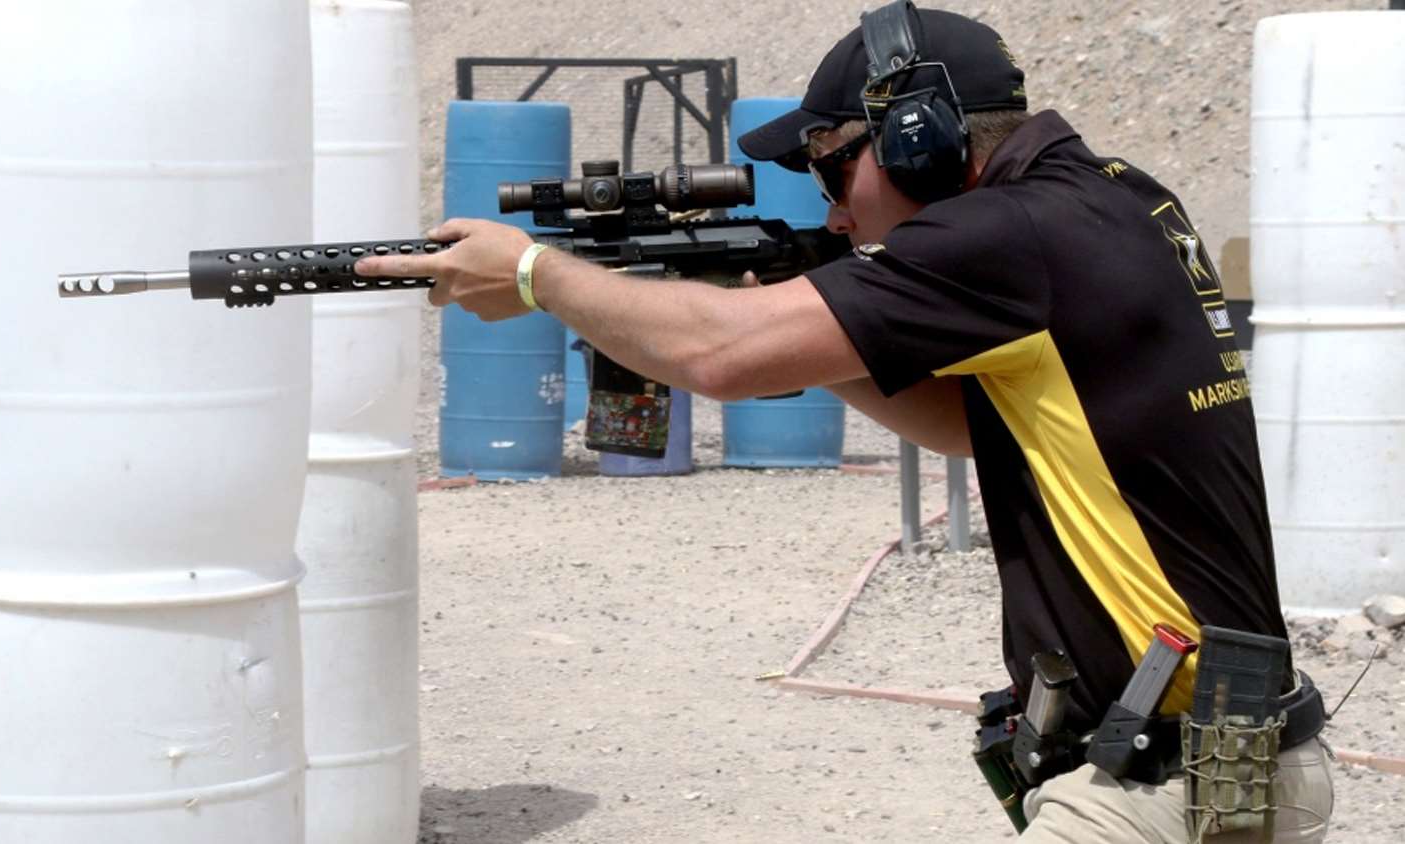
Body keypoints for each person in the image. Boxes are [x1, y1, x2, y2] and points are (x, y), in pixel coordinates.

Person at [358, 3, 1333, 840]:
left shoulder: (1006, 232)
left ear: (919, 135)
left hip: (1167, 785)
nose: (830, 213)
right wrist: (822, 333)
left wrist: (535, 275)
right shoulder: (1113, 198)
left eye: (831, 172)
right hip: (1233, 762)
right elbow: (971, 424)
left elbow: (717, 357)